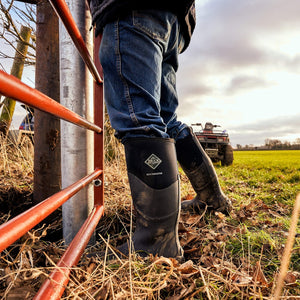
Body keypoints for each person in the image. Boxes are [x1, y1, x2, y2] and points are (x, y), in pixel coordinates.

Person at [88, 0, 232, 260]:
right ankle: (211, 196)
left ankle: (156, 243)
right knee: (166, 119)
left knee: (138, 118)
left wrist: (100, 18)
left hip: (129, 11)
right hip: (175, 20)